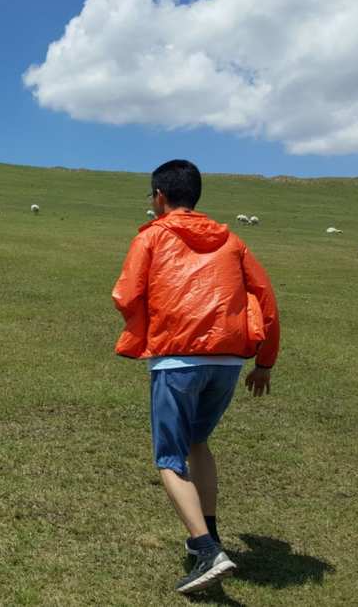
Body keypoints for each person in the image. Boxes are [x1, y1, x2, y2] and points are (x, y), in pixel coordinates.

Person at [112, 159, 280, 595]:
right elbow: (265, 296)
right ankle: (209, 534)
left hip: (177, 359)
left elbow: (126, 293)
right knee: (198, 442)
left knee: (169, 458)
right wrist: (265, 362)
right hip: (227, 361)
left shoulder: (152, 236)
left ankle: (207, 550)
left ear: (159, 197)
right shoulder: (232, 240)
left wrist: (148, 321)